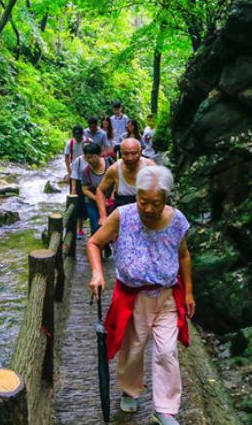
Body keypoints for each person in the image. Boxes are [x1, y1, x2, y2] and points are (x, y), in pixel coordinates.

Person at [87, 166, 195, 425]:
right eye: (142, 201)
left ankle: (164, 410)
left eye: (155, 203)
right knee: (133, 349)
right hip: (133, 296)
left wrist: (189, 292)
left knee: (167, 351)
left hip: (166, 295)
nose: (148, 208)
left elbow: (183, 255)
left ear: (166, 198)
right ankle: (130, 389)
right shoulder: (122, 216)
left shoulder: (177, 220)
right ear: (136, 196)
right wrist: (97, 273)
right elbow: (94, 242)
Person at [95, 138, 155, 227]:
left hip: (146, 211)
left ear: (140, 152)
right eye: (126, 154)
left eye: (134, 153)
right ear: (120, 153)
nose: (130, 158)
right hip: (122, 210)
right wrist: (103, 216)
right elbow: (100, 190)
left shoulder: (150, 167)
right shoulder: (115, 169)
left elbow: (161, 191)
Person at [79, 142, 109, 236]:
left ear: (99, 155)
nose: (90, 160)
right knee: (96, 227)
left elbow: (116, 181)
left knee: (109, 227)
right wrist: (98, 199)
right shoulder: (85, 172)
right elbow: (85, 189)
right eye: (87, 157)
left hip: (110, 201)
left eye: (92, 157)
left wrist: (112, 197)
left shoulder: (109, 163)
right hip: (92, 202)